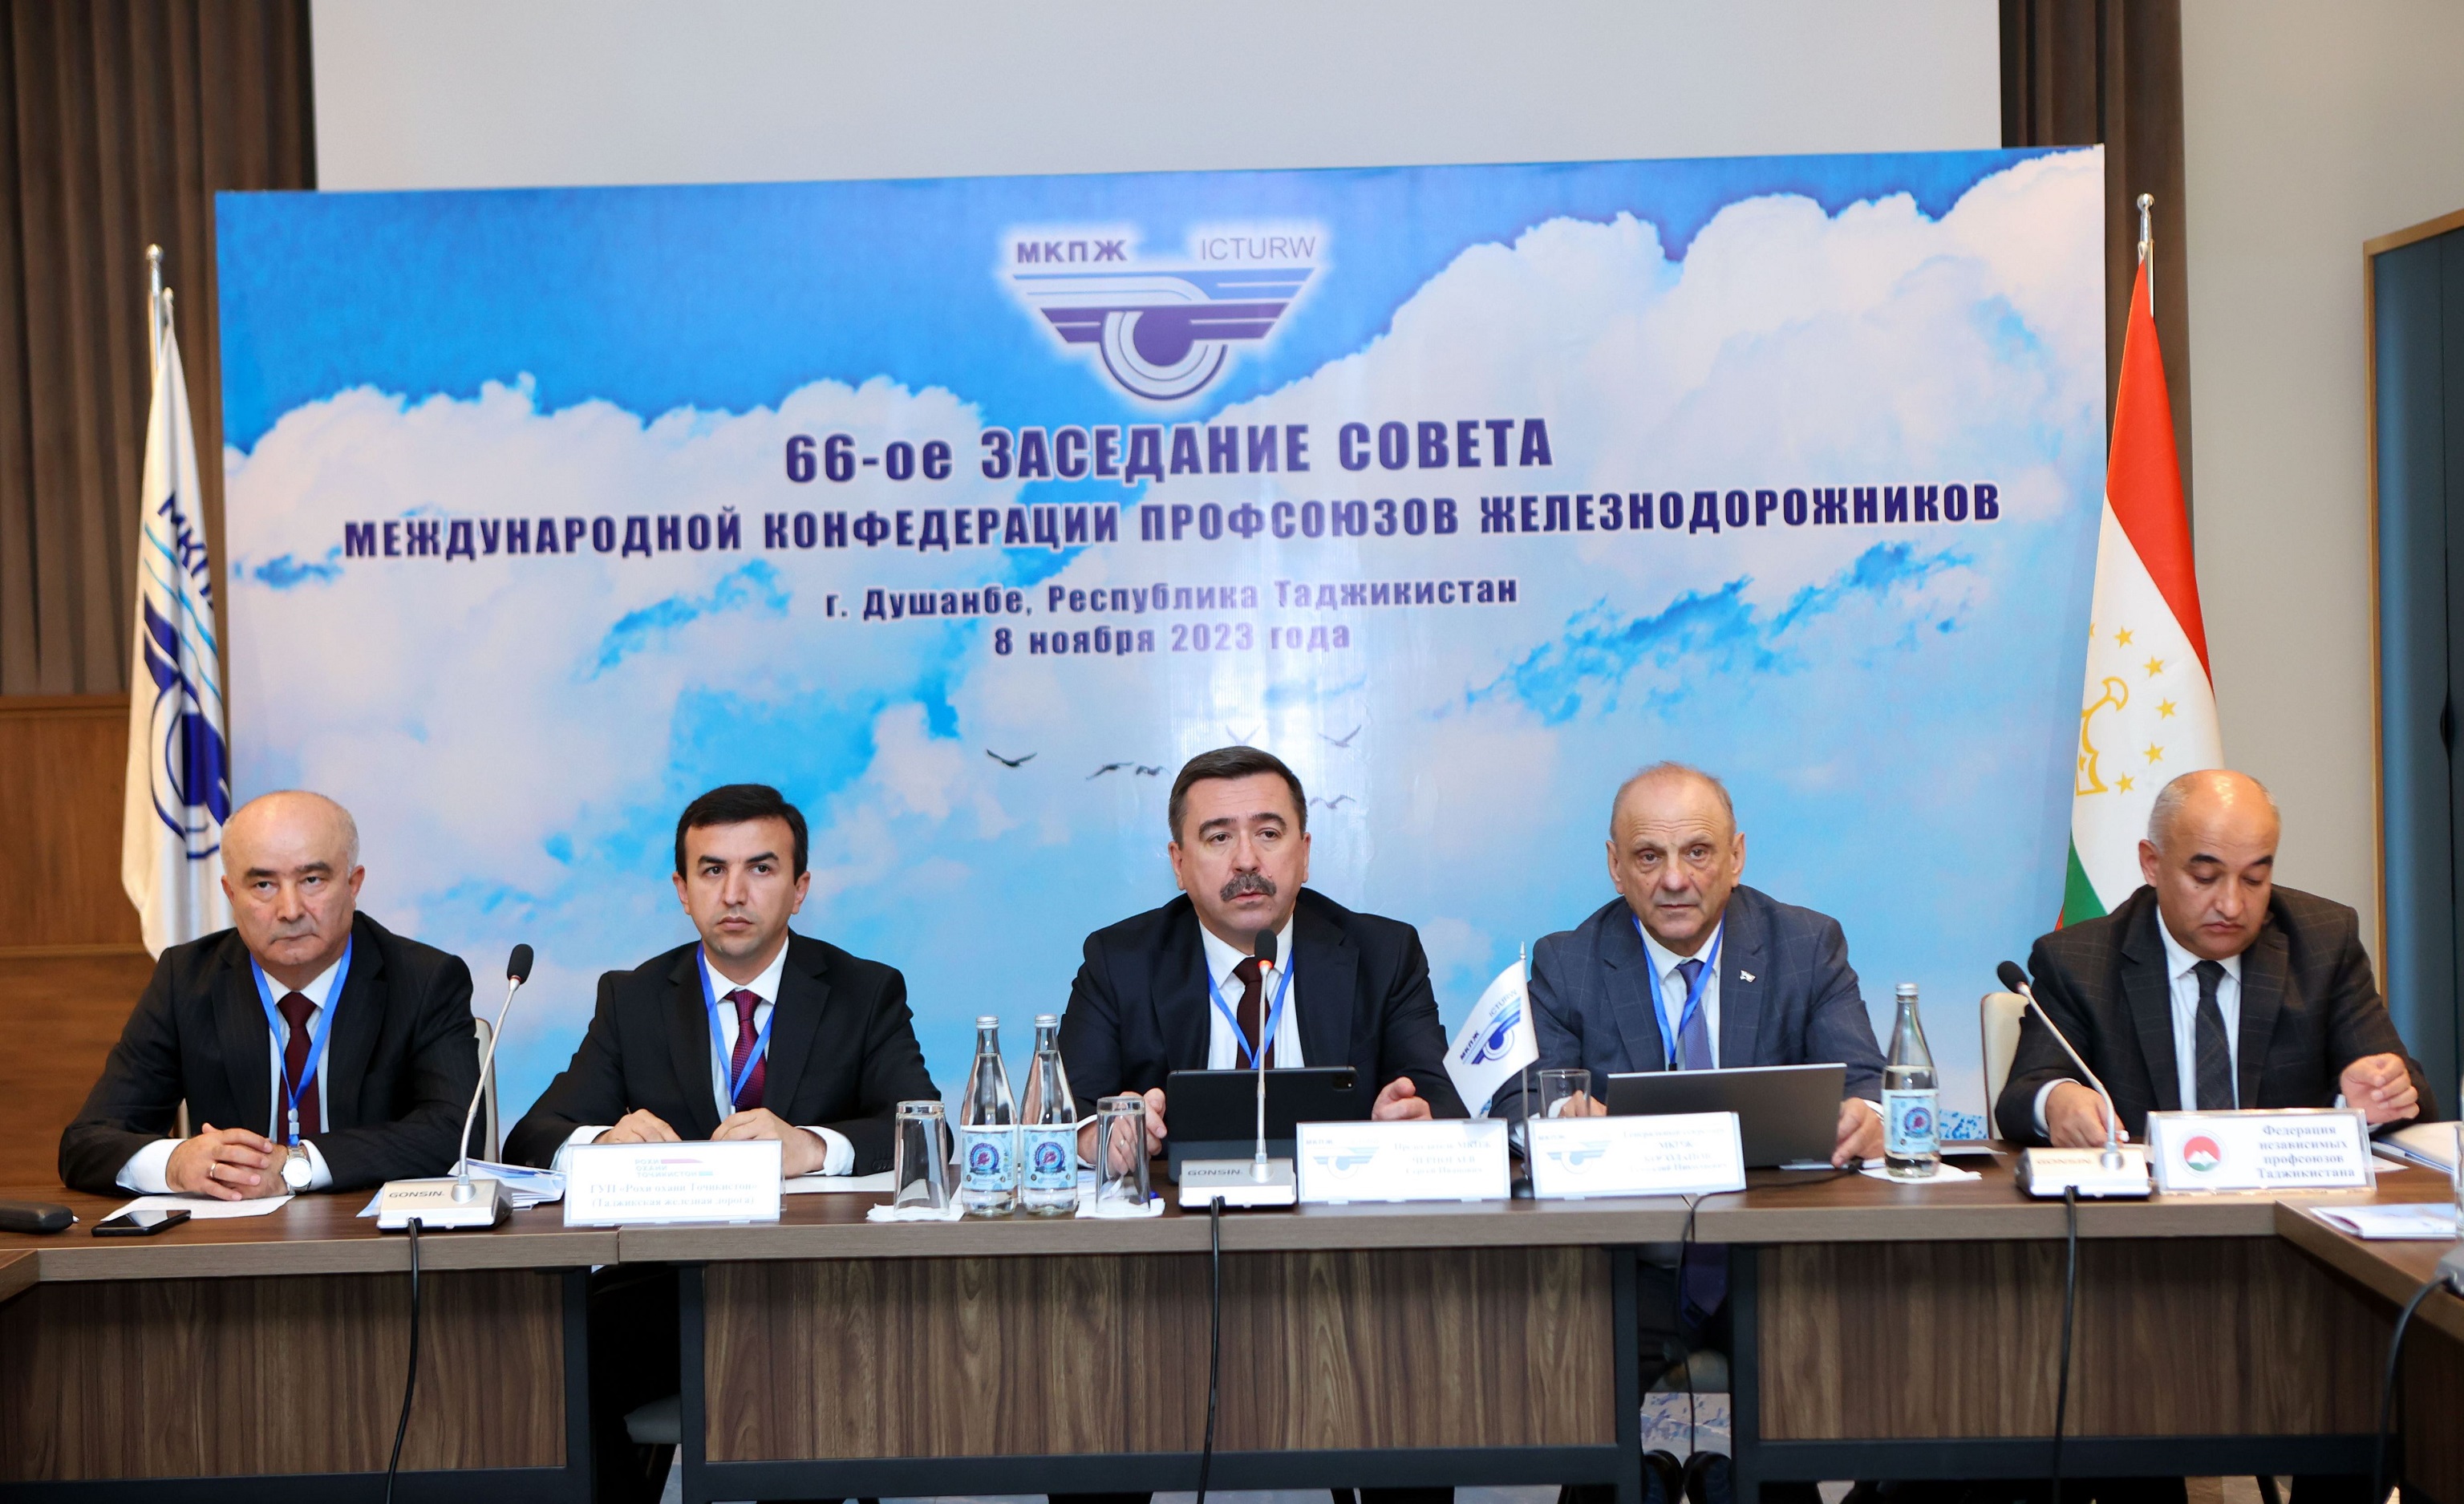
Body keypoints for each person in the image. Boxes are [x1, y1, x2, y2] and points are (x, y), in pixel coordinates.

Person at [1053, 744, 1461, 1504]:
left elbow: (1439, 1101)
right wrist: (1102, 1136)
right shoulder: (1120, 958)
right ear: (1179, 863)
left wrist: (1405, 1120)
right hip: (1165, 1277)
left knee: (1411, 1383)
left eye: (1268, 833)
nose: (1247, 859)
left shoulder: (1383, 951)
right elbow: (1064, 1114)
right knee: (1090, 1398)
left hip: (1347, 1276)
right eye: (1218, 837)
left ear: (1304, 851)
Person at [1497, 760, 1886, 1423]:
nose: (1675, 879)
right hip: (1631, 1266)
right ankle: (1632, 1475)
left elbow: (1864, 1082)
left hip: (1771, 1258)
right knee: (1573, 1394)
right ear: (1616, 867)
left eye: (1698, 852)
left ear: (1736, 857)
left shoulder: (1805, 944)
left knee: (1835, 1376)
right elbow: (1516, 1100)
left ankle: (1753, 1474)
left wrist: (1867, 1116)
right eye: (1649, 856)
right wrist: (1562, 1116)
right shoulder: (1569, 961)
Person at [59, 790, 478, 1198]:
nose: (290, 910)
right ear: (231, 894)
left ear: (353, 885)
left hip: (371, 1233)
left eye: (312, 880)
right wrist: (175, 1162)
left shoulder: (424, 979)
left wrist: (299, 1165)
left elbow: (456, 1131)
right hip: (235, 1236)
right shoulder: (186, 980)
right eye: (263, 884)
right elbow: (86, 1143)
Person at [505, 782, 937, 1176]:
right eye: (713, 871)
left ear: (799, 889)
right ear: (683, 891)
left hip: (814, 1237)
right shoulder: (633, 999)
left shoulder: (863, 993)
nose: (733, 895)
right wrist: (604, 1145)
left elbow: (927, 1132)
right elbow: (531, 1139)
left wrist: (812, 1148)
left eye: (760, 869)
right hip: (678, 1239)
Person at [1997, 768, 2430, 1147]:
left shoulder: (2322, 943)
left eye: (2254, 879)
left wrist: (2370, 1101)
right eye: (2205, 877)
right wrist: (2056, 1100)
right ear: (2152, 864)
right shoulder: (2079, 962)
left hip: (2288, 1206)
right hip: (2144, 1209)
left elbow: (2416, 1096)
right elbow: (2022, 1096)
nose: (2231, 905)